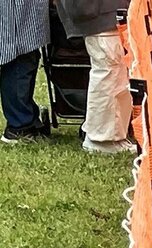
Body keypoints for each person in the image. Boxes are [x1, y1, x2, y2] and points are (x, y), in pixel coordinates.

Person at [56, 0, 135, 154]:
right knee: (110, 73)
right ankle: (102, 140)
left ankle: (104, 136)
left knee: (112, 73)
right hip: (101, 13)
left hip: (103, 13)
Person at [0, 0, 51, 144]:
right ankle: (19, 126)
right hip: (16, 13)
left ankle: (26, 120)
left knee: (25, 58)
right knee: (19, 59)